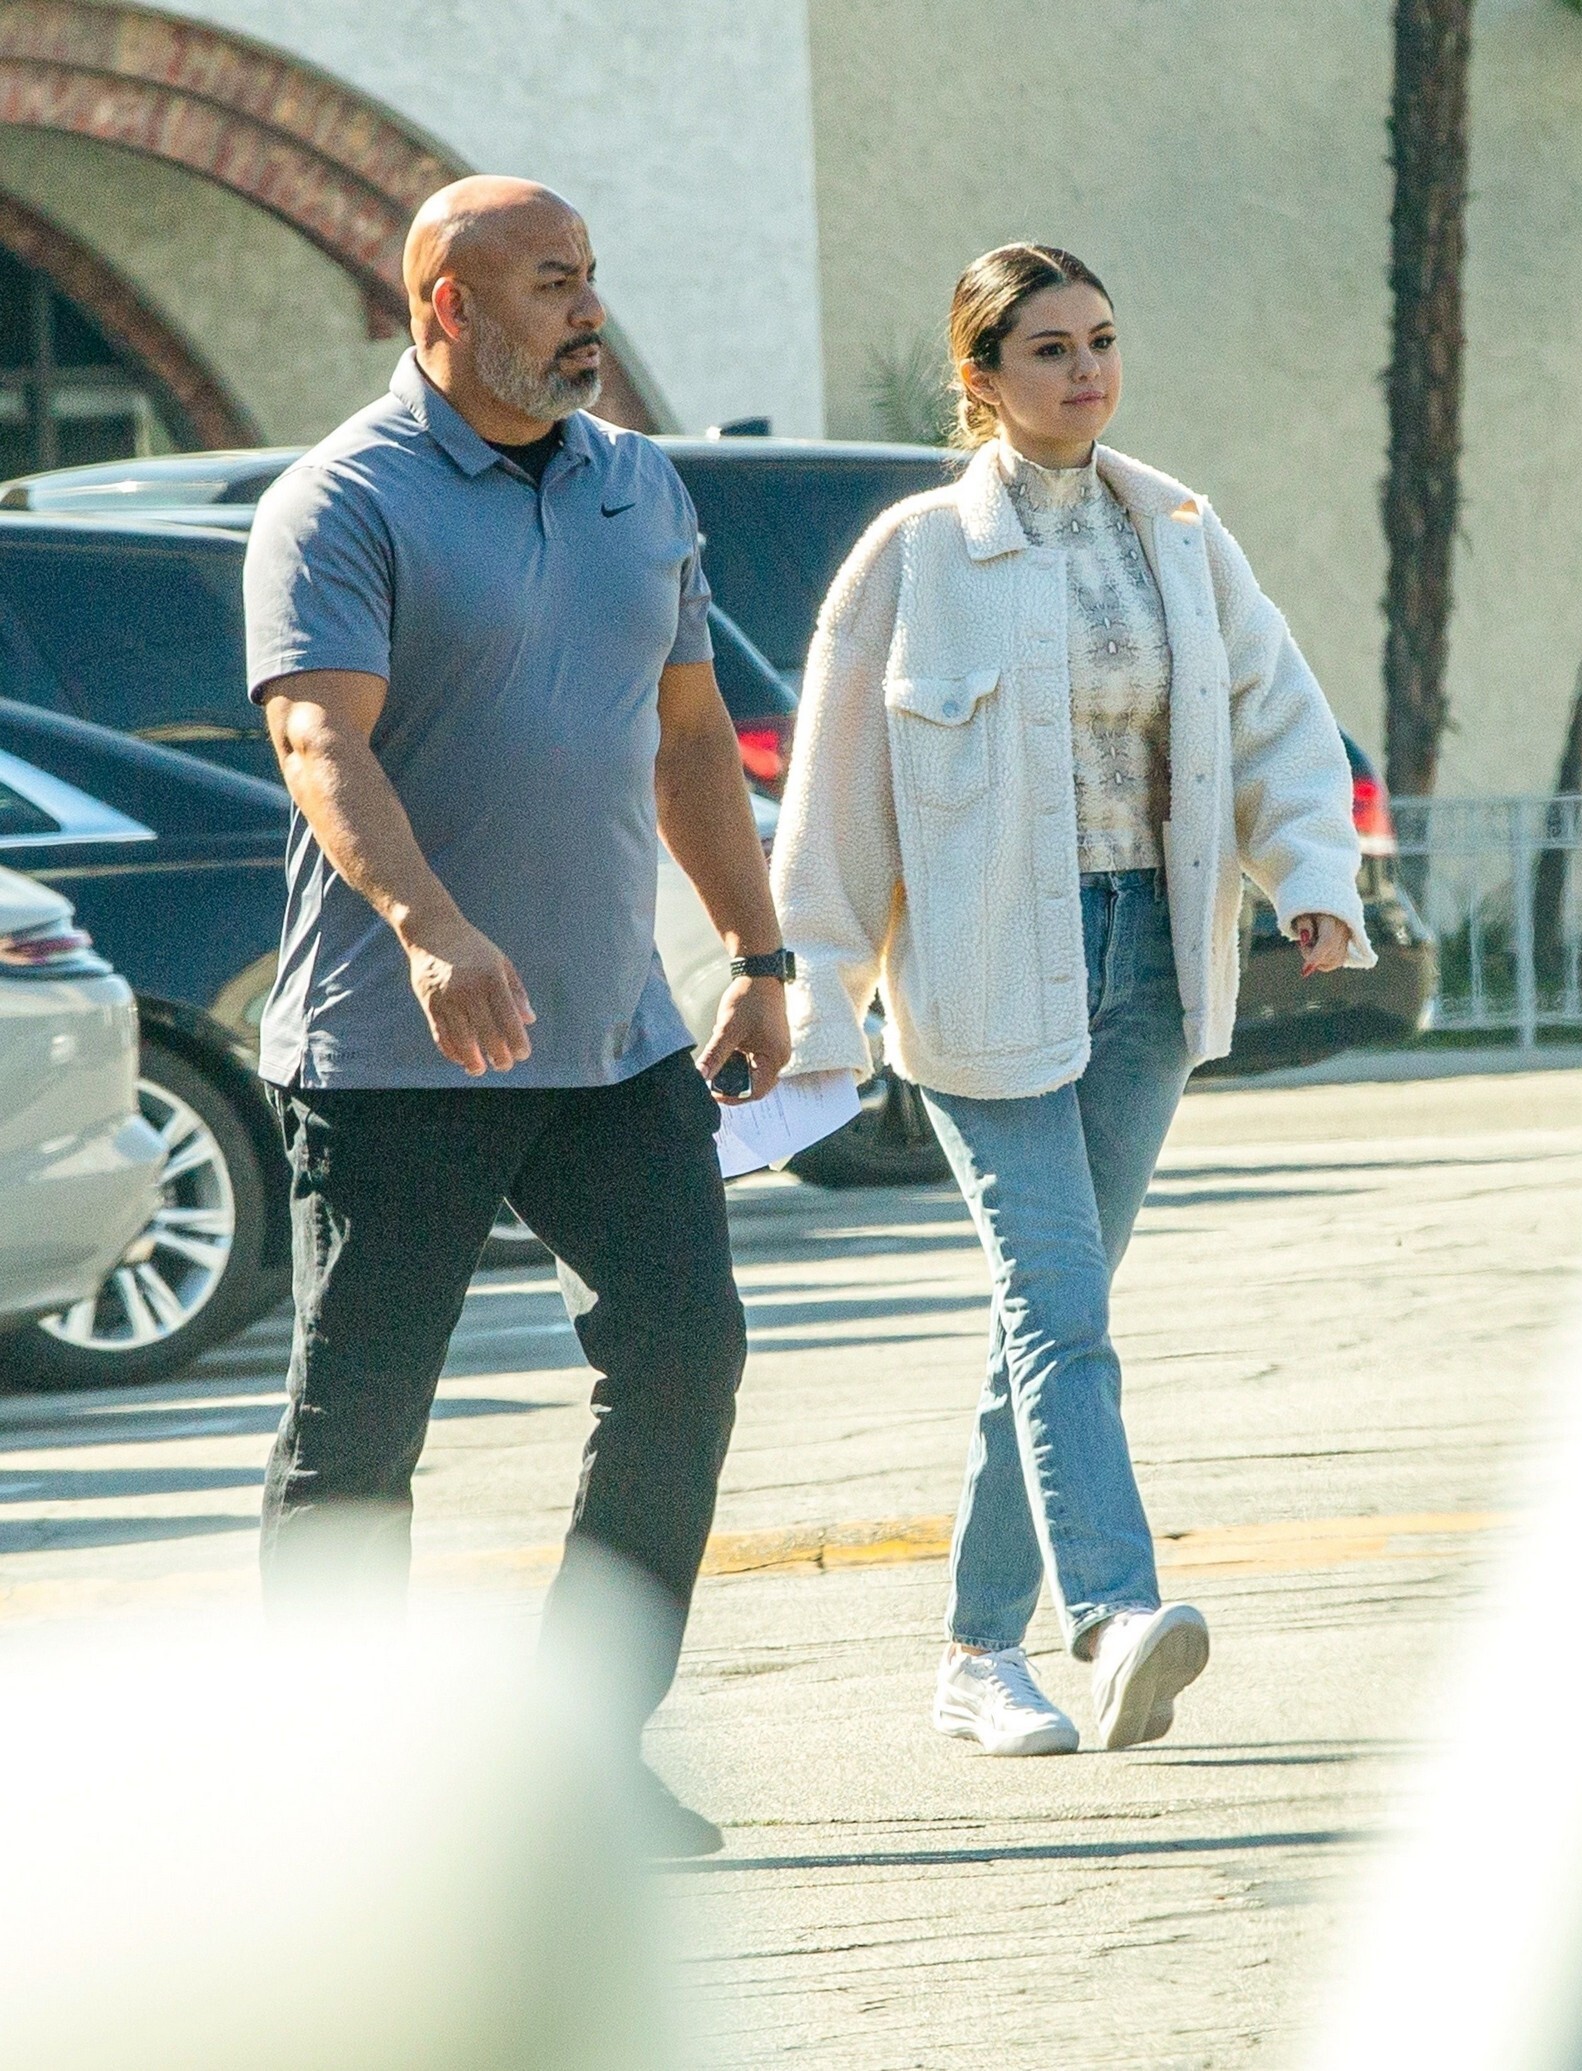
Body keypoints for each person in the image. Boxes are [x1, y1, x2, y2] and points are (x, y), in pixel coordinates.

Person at [243, 176, 792, 1855]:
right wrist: (432, 929)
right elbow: (319, 740)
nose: (588, 311)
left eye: (590, 277)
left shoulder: (639, 484)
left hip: (614, 1043)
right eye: (553, 283)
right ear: (448, 308)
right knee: (361, 1428)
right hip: (395, 1052)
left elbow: (689, 739)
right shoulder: (342, 499)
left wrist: (758, 956)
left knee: (685, 1360)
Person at [771, 243, 1372, 1756]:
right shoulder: (915, 557)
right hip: (984, 976)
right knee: (1057, 1307)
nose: (1087, 370)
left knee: (1051, 1319)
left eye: (1100, 340)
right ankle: (1111, 1616)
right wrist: (819, 1000)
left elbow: (1273, 716)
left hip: (1151, 966)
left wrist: (1309, 873)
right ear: (979, 378)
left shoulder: (1177, 530)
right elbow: (836, 804)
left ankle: (977, 1655)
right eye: (1048, 349)